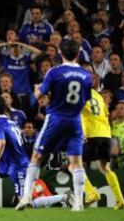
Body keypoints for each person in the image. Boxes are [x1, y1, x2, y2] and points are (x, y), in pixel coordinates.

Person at [16, 39, 92, 212]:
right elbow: (86, 99)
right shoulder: (86, 74)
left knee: (36, 157)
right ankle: (79, 203)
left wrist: (37, 88)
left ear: (60, 53)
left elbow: (39, 94)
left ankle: (26, 197)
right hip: (75, 120)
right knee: (77, 162)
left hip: (55, 118)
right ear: (78, 54)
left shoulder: (55, 71)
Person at [81, 73, 124, 210]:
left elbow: (77, 114)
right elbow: (106, 115)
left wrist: (82, 132)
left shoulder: (80, 94)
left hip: (91, 133)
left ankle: (91, 192)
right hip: (105, 134)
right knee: (104, 168)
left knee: (74, 165)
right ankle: (120, 200)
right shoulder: (98, 95)